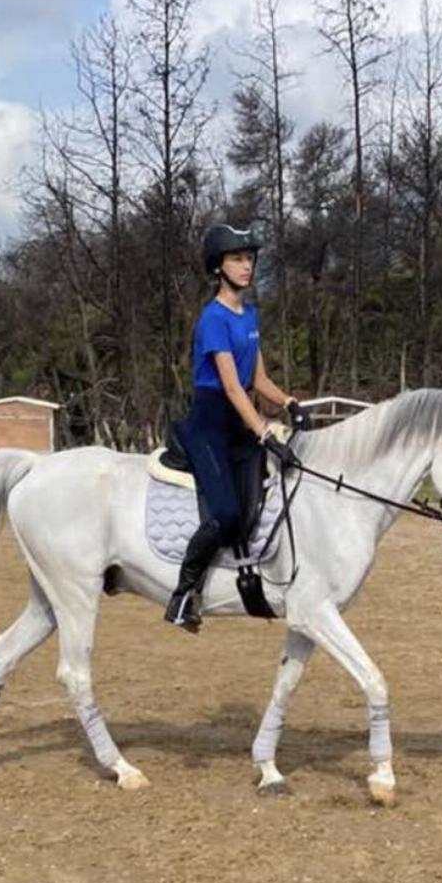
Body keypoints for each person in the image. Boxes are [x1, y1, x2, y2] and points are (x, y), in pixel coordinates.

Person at [164, 223, 307, 633]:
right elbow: (230, 385)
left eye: (249, 259)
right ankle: (183, 594)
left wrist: (288, 403)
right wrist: (264, 431)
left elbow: (257, 380)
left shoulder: (250, 316)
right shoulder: (213, 319)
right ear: (218, 267)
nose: (247, 267)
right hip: (210, 423)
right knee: (226, 513)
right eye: (237, 259)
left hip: (240, 422)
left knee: (261, 501)